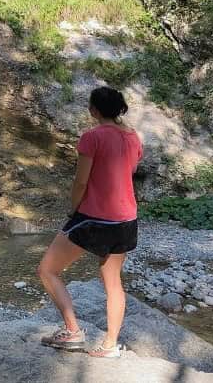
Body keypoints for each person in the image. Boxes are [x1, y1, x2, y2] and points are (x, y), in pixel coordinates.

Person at [37, 86, 143, 359]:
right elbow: (128, 172)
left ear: (93, 110)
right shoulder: (132, 137)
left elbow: (81, 180)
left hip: (95, 218)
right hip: (126, 219)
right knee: (113, 282)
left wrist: (74, 208)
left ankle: (72, 331)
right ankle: (110, 345)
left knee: (47, 270)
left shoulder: (92, 137)